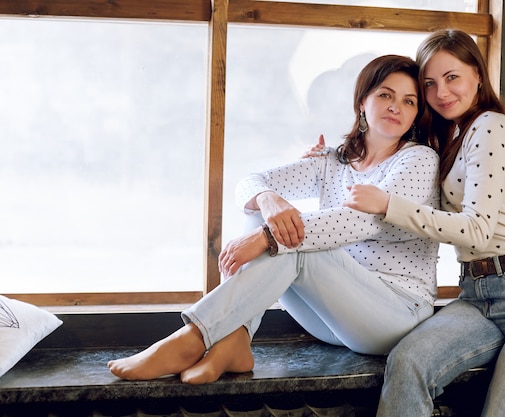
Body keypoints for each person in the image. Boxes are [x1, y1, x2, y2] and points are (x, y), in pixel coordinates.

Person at [107, 54, 440, 385]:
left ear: (415, 114)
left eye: (408, 101)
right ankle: (232, 341)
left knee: (286, 236)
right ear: (362, 102)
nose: (396, 106)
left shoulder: (419, 160)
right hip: (335, 320)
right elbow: (249, 183)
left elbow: (359, 223)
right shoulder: (333, 160)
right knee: (264, 216)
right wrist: (269, 200)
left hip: (396, 315)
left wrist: (267, 237)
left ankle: (194, 337)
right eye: (385, 94)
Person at [326, 29, 505, 417]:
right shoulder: (447, 139)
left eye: (452, 77)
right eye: (429, 83)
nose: (441, 92)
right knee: (408, 363)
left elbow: (476, 229)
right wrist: (333, 158)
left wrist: (387, 204)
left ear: (478, 74)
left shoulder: (491, 126)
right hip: (476, 295)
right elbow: (386, 153)